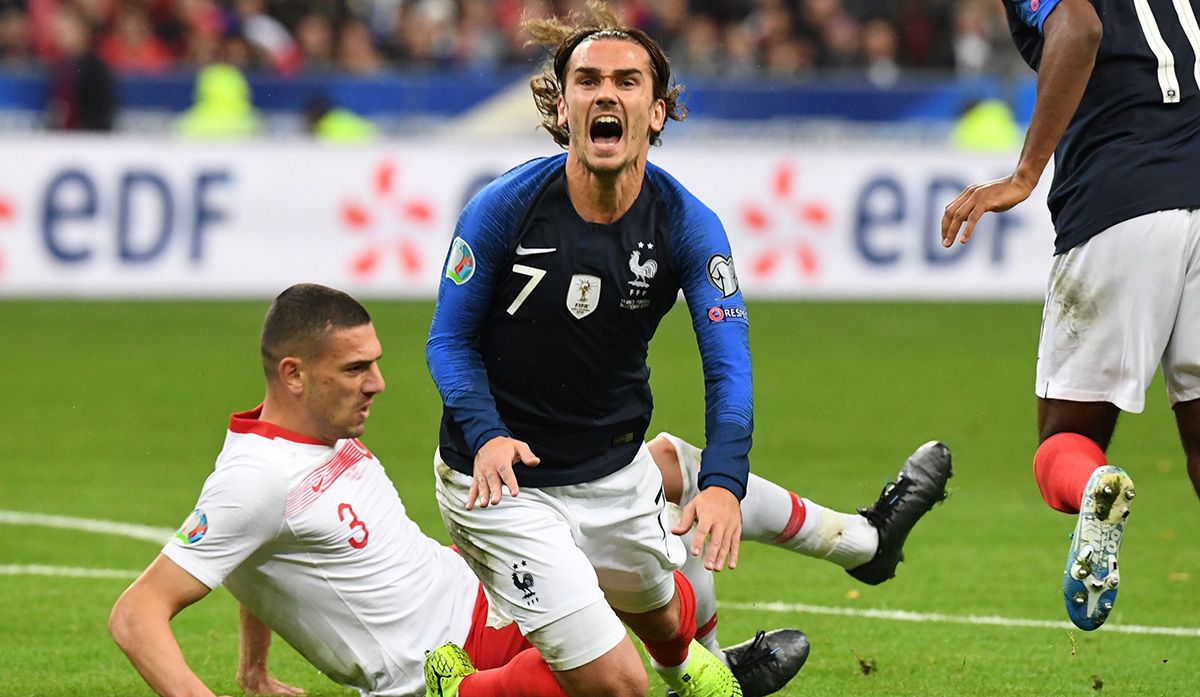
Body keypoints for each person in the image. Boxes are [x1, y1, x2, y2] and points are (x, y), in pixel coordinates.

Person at [426, 4, 952, 697]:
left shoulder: (687, 224)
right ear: (560, 107)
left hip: (612, 475)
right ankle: (459, 688)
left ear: (657, 113)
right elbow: (448, 340)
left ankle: (712, 659)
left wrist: (725, 485)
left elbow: (728, 368)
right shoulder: (503, 207)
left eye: (626, 82)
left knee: (668, 610)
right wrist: (488, 434)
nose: (606, 94)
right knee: (617, 682)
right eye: (587, 81)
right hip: (500, 484)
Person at [107, 284, 815, 697]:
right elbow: (136, 615)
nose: (379, 384)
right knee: (613, 676)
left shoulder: (314, 437)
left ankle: (704, 664)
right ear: (293, 374)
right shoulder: (256, 478)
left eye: (375, 363)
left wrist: (254, 669)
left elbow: (254, 550)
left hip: (476, 593)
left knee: (642, 550)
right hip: (438, 658)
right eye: (355, 369)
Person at [940, 0, 1200, 631]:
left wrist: (1024, 173)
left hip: (1123, 198)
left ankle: (1093, 488)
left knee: (1066, 440)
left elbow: (1079, 27)